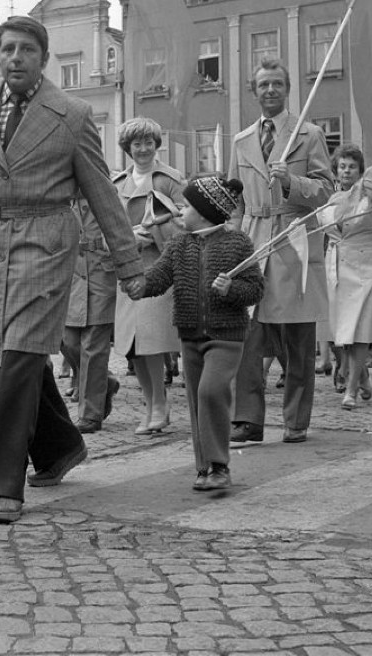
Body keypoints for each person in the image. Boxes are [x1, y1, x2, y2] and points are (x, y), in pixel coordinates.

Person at [0, 16, 143, 524]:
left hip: (45, 242)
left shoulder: (72, 115)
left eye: (27, 50)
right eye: (8, 49)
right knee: (11, 352)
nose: (16, 57)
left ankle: (3, 484)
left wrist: (129, 263)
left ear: (42, 56)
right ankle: (59, 445)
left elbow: (102, 193)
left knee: (18, 355)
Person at [227, 57, 333, 444]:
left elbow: (327, 190)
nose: (270, 90)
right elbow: (234, 201)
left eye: (276, 84)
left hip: (294, 239)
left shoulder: (308, 134)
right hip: (254, 242)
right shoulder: (240, 141)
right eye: (263, 85)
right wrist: (232, 243)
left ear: (287, 89)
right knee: (248, 337)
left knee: (297, 341)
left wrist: (292, 183)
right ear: (253, 92)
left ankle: (295, 420)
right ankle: (248, 419)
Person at [139, 175, 263, 490]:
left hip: (226, 335)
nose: (180, 211)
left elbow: (256, 289)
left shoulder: (238, 242)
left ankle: (220, 466)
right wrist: (135, 283)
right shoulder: (179, 243)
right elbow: (158, 277)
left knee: (210, 392)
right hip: (190, 334)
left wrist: (231, 288)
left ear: (206, 212)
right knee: (196, 401)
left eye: (187, 206)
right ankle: (204, 467)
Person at [319, 145, 372, 410]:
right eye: (342, 166)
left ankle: (352, 390)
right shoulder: (329, 200)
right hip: (335, 269)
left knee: (359, 332)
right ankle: (362, 378)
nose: (346, 170)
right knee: (341, 335)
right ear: (336, 169)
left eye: (352, 166)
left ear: (360, 171)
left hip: (366, 270)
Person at [112, 117, 184, 434]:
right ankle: (151, 402)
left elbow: (185, 222)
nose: (143, 149)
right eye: (136, 144)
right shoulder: (117, 185)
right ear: (128, 148)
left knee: (151, 342)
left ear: (157, 145)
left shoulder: (170, 179)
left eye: (148, 142)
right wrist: (128, 238)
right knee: (133, 346)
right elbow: (109, 229)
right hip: (128, 270)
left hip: (158, 268)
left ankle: (159, 405)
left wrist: (154, 231)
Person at [60, 196, 121, 434]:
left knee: (94, 346)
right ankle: (105, 381)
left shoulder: (104, 192)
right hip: (69, 274)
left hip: (100, 272)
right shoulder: (59, 192)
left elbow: (121, 232)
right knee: (68, 342)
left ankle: (90, 415)